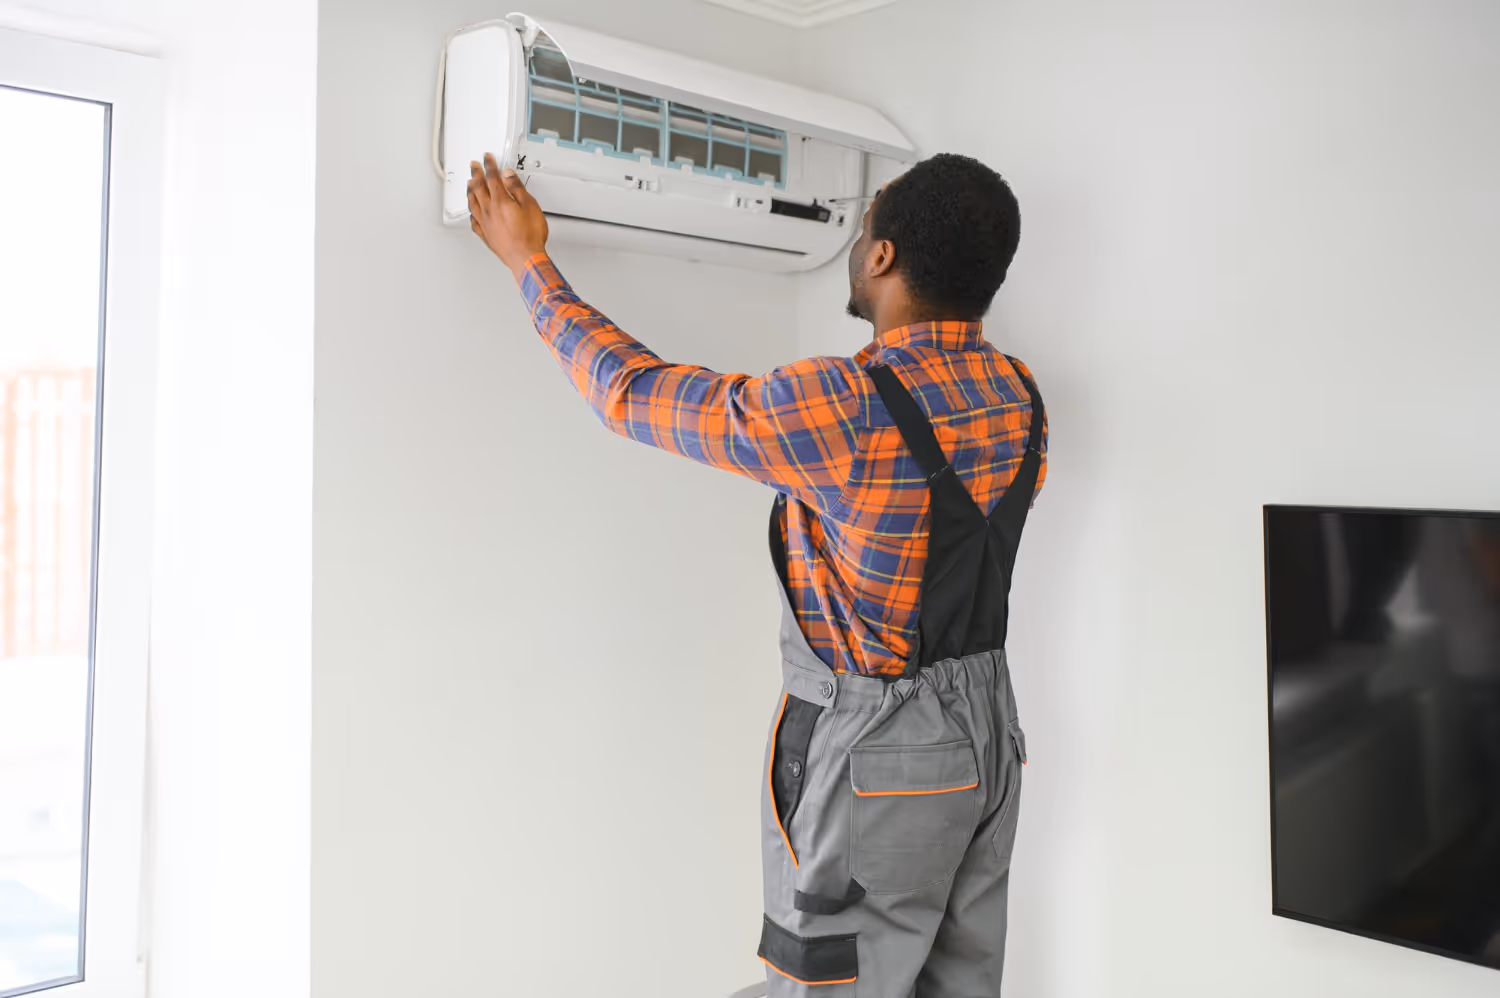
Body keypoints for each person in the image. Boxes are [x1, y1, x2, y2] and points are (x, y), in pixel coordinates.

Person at [466, 150, 1048, 998]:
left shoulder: (846, 405)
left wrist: (530, 264)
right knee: (954, 987)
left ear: (882, 258)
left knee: (825, 985)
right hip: (990, 733)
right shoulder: (1017, 392)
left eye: (863, 229)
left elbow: (632, 393)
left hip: (879, 748)